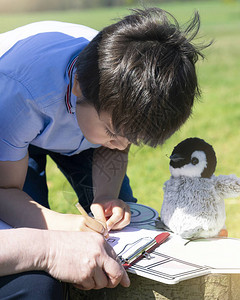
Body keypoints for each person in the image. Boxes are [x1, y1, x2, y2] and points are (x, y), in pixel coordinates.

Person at [0, 7, 210, 299]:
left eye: (132, 139)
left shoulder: (116, 91)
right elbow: (4, 193)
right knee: (26, 234)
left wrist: (106, 195)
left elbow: (115, 141)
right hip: (13, 127)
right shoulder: (16, 95)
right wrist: (67, 228)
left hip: (83, 116)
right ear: (77, 86)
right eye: (114, 133)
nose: (124, 146)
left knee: (123, 228)